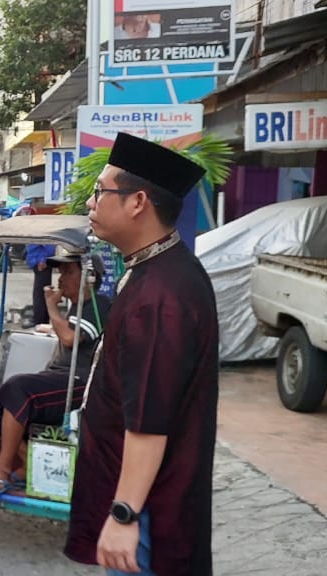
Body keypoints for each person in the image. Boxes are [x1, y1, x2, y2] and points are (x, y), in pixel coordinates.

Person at [64, 132, 218, 576]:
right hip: (141, 496)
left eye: (101, 192)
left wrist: (124, 514)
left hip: (148, 511)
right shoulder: (156, 269)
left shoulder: (160, 295)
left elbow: (149, 420)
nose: (92, 203)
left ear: (138, 202)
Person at [0, 250, 110, 494]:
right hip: (59, 377)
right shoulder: (75, 307)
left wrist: (50, 307)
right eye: (60, 272)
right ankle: (28, 461)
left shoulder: (99, 305)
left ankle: (2, 467)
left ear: (89, 278)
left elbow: (68, 339)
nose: (60, 278)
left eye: (68, 272)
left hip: (82, 384)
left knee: (18, 387)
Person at [26, 243, 56, 327]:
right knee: (39, 293)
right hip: (37, 262)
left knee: (40, 294)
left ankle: (40, 320)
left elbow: (49, 245)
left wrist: (43, 260)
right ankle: (41, 319)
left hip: (41, 263)